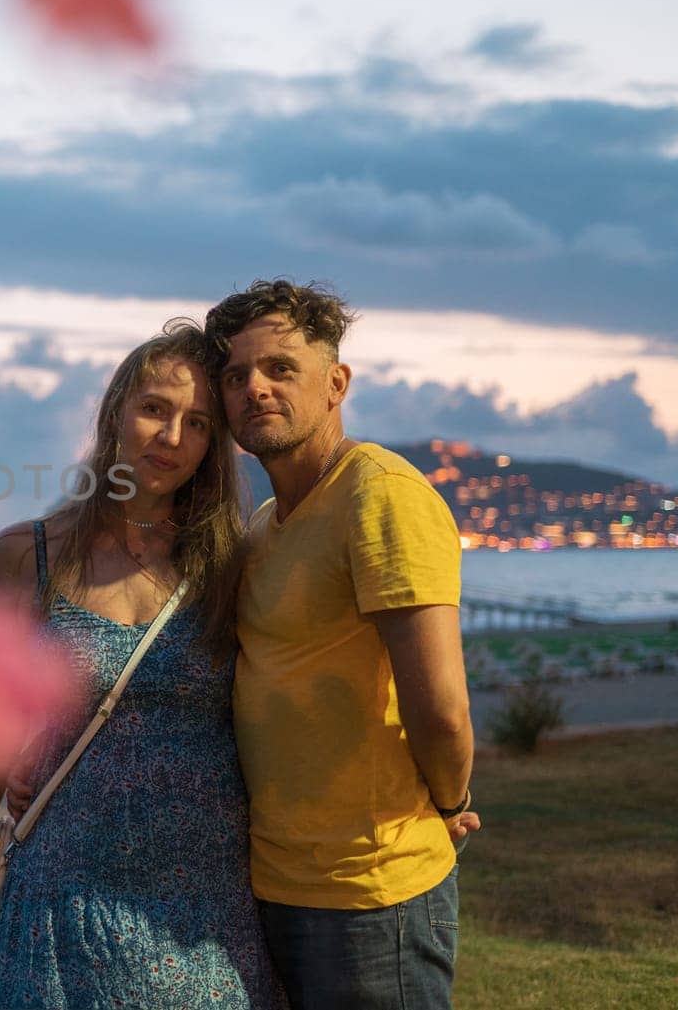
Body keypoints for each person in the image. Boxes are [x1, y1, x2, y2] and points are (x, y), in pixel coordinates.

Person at [0, 321, 286, 1009]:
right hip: (63, 908)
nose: (172, 436)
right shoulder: (27, 555)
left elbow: (291, 693)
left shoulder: (232, 564)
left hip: (206, 915)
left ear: (213, 446)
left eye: (198, 422)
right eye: (155, 409)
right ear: (115, 411)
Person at [202, 279, 478, 1010]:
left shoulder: (379, 493)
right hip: (275, 883)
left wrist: (451, 801)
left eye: (279, 368)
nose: (255, 388)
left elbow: (442, 709)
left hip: (371, 892)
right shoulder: (264, 526)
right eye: (235, 376)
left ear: (336, 383)